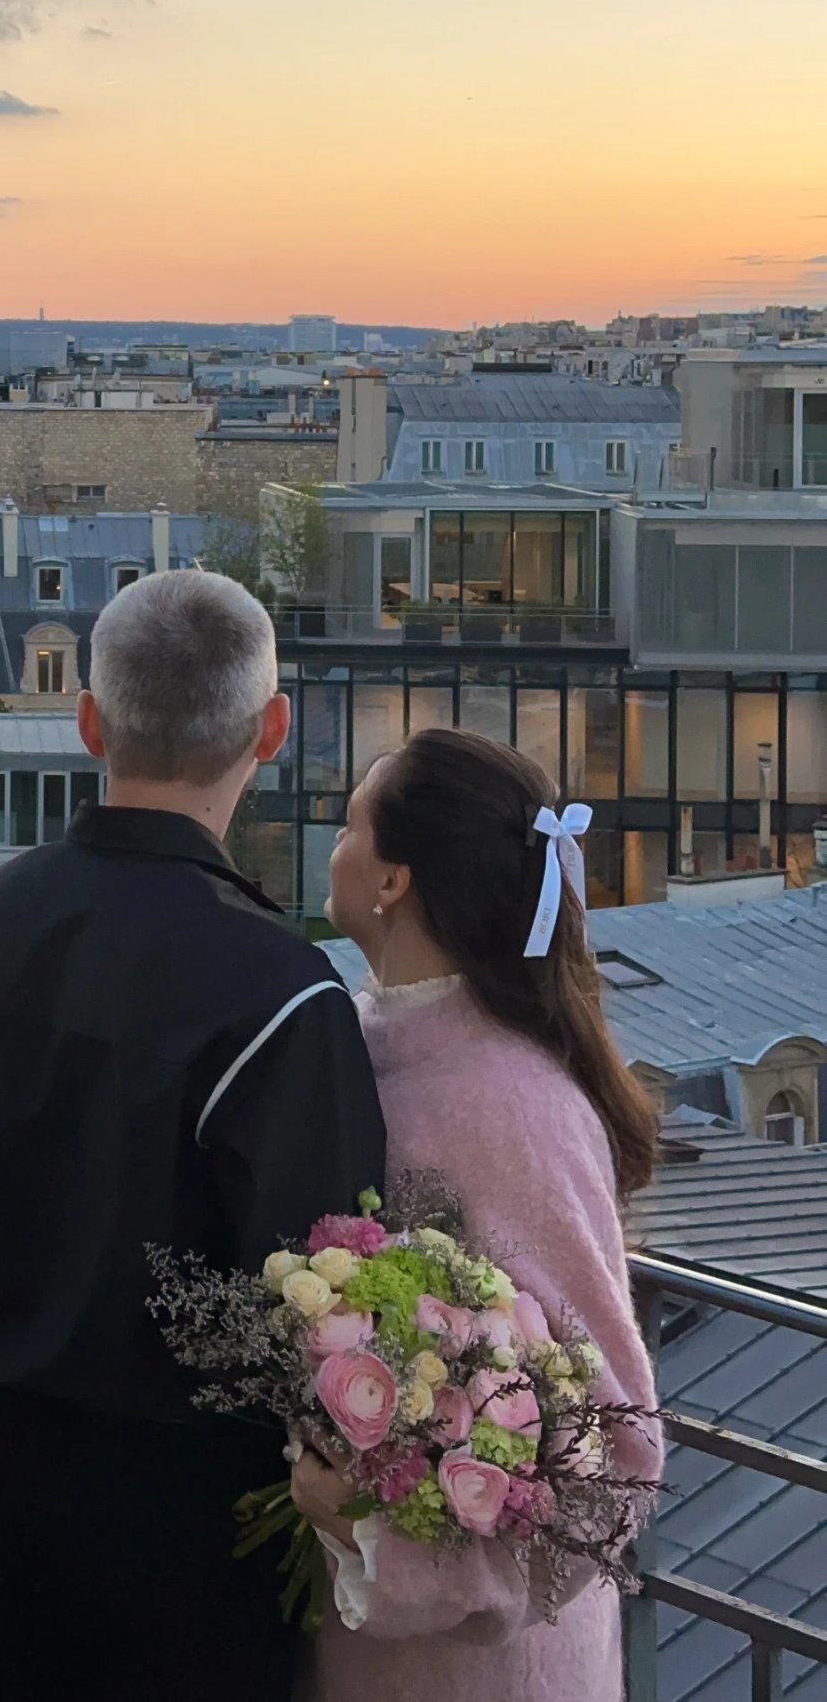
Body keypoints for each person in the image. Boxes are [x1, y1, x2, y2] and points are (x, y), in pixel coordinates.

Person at [0, 570, 386, 1702]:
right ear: (272, 731)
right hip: (210, 1517)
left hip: (21, 1467)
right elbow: (329, 1287)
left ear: (89, 720)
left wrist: (15, 1365)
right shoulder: (280, 993)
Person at [292, 728, 663, 1702]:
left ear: (391, 880)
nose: (330, 846)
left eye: (347, 824)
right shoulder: (354, 1050)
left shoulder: (514, 1106)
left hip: (493, 1672)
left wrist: (388, 1538)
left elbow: (619, 1453)